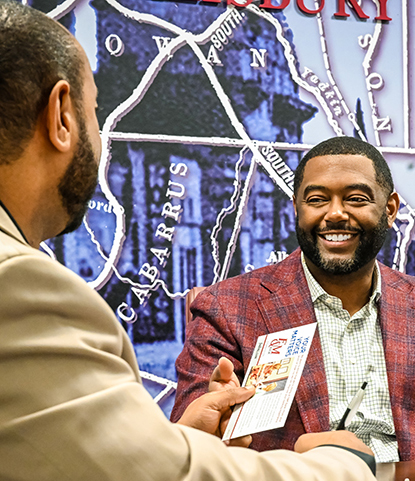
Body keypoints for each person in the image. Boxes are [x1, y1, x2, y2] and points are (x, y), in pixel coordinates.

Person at [0, 1, 377, 479]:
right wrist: (345, 462)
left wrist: (180, 439)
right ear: (60, 117)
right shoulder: (21, 287)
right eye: (96, 114)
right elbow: (165, 476)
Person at [171, 135, 415, 463]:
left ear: (390, 209)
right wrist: (208, 433)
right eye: (317, 199)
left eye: (356, 199)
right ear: (296, 208)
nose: (334, 214)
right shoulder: (228, 309)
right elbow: (184, 441)